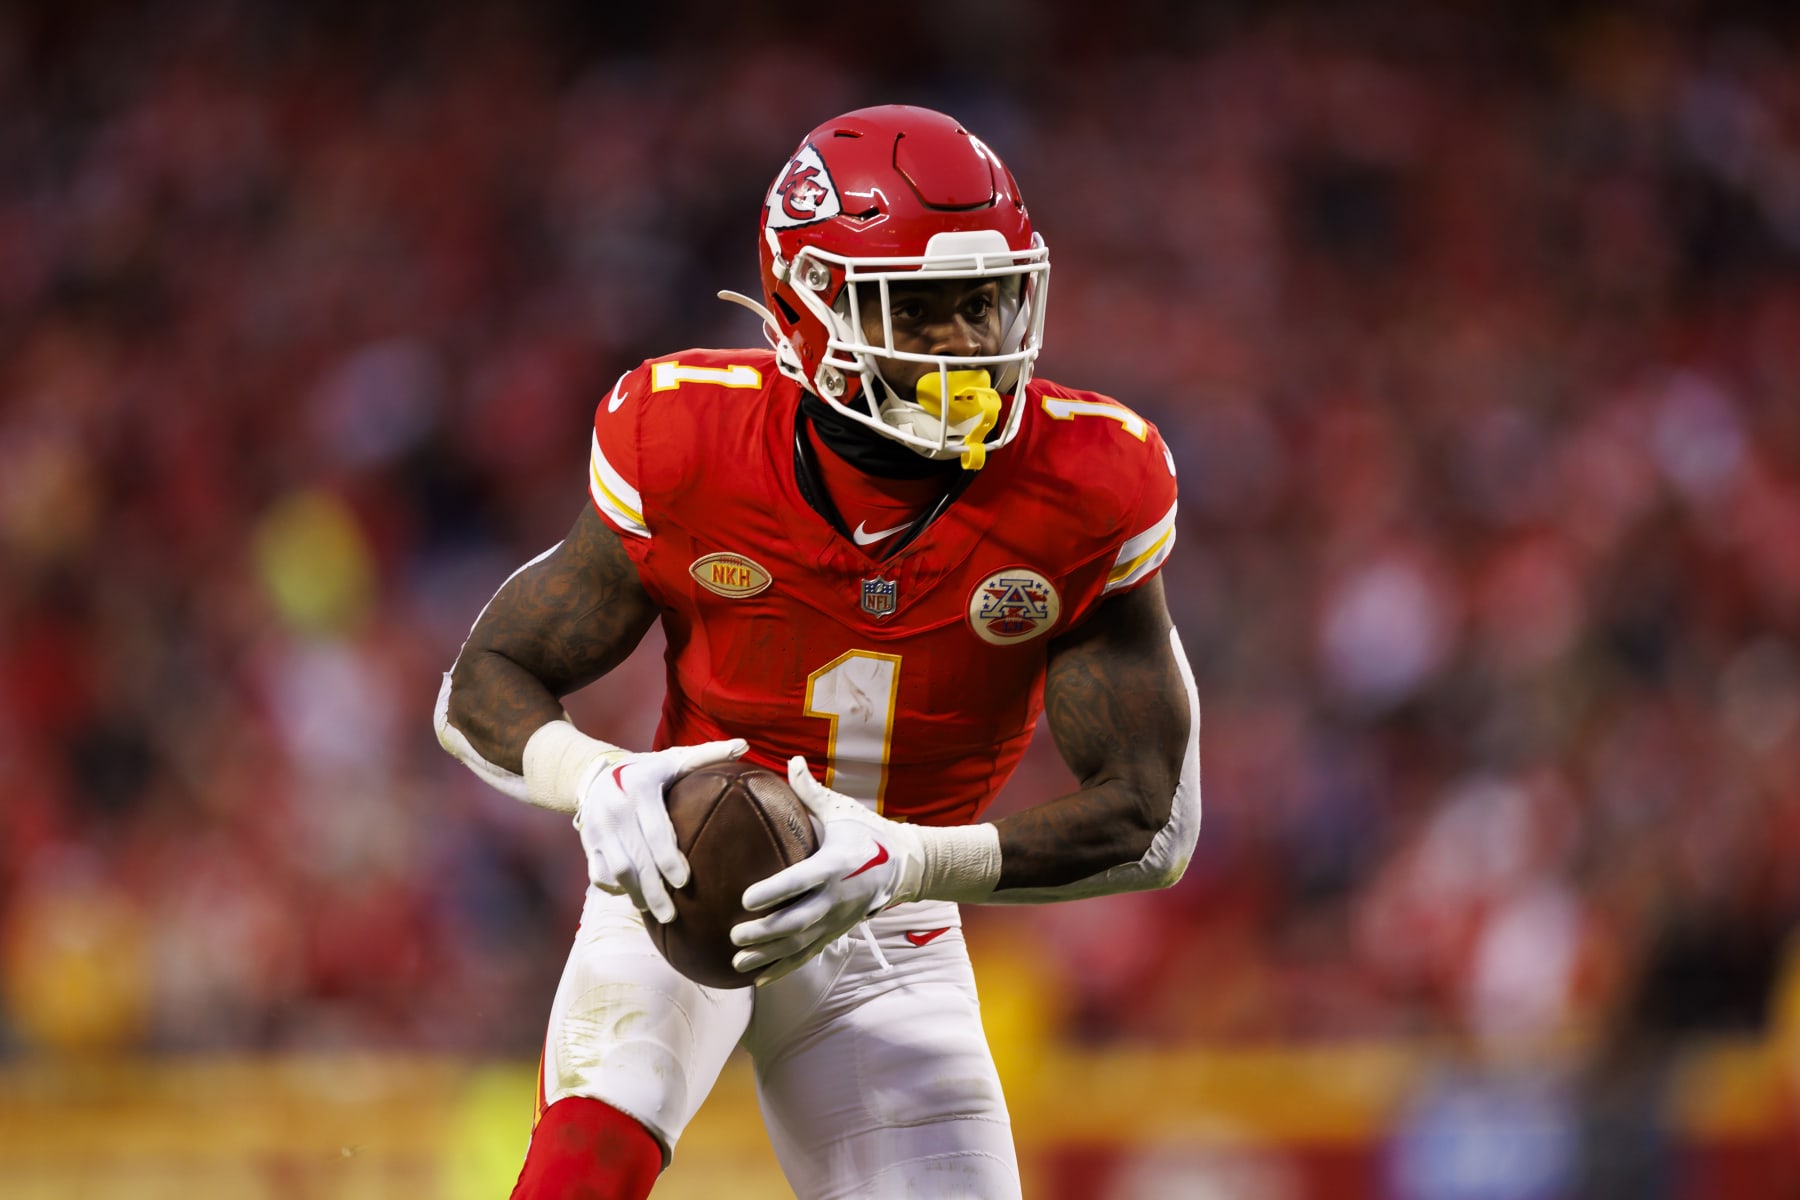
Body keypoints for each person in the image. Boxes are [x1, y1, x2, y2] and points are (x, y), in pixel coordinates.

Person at [435, 104, 1200, 1200]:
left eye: (984, 301)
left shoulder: (1089, 482)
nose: (968, 343)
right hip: (683, 874)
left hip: (894, 926)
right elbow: (484, 680)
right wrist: (594, 777)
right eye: (920, 309)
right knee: (583, 1169)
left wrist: (912, 861)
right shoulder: (683, 438)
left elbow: (1151, 820)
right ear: (807, 304)